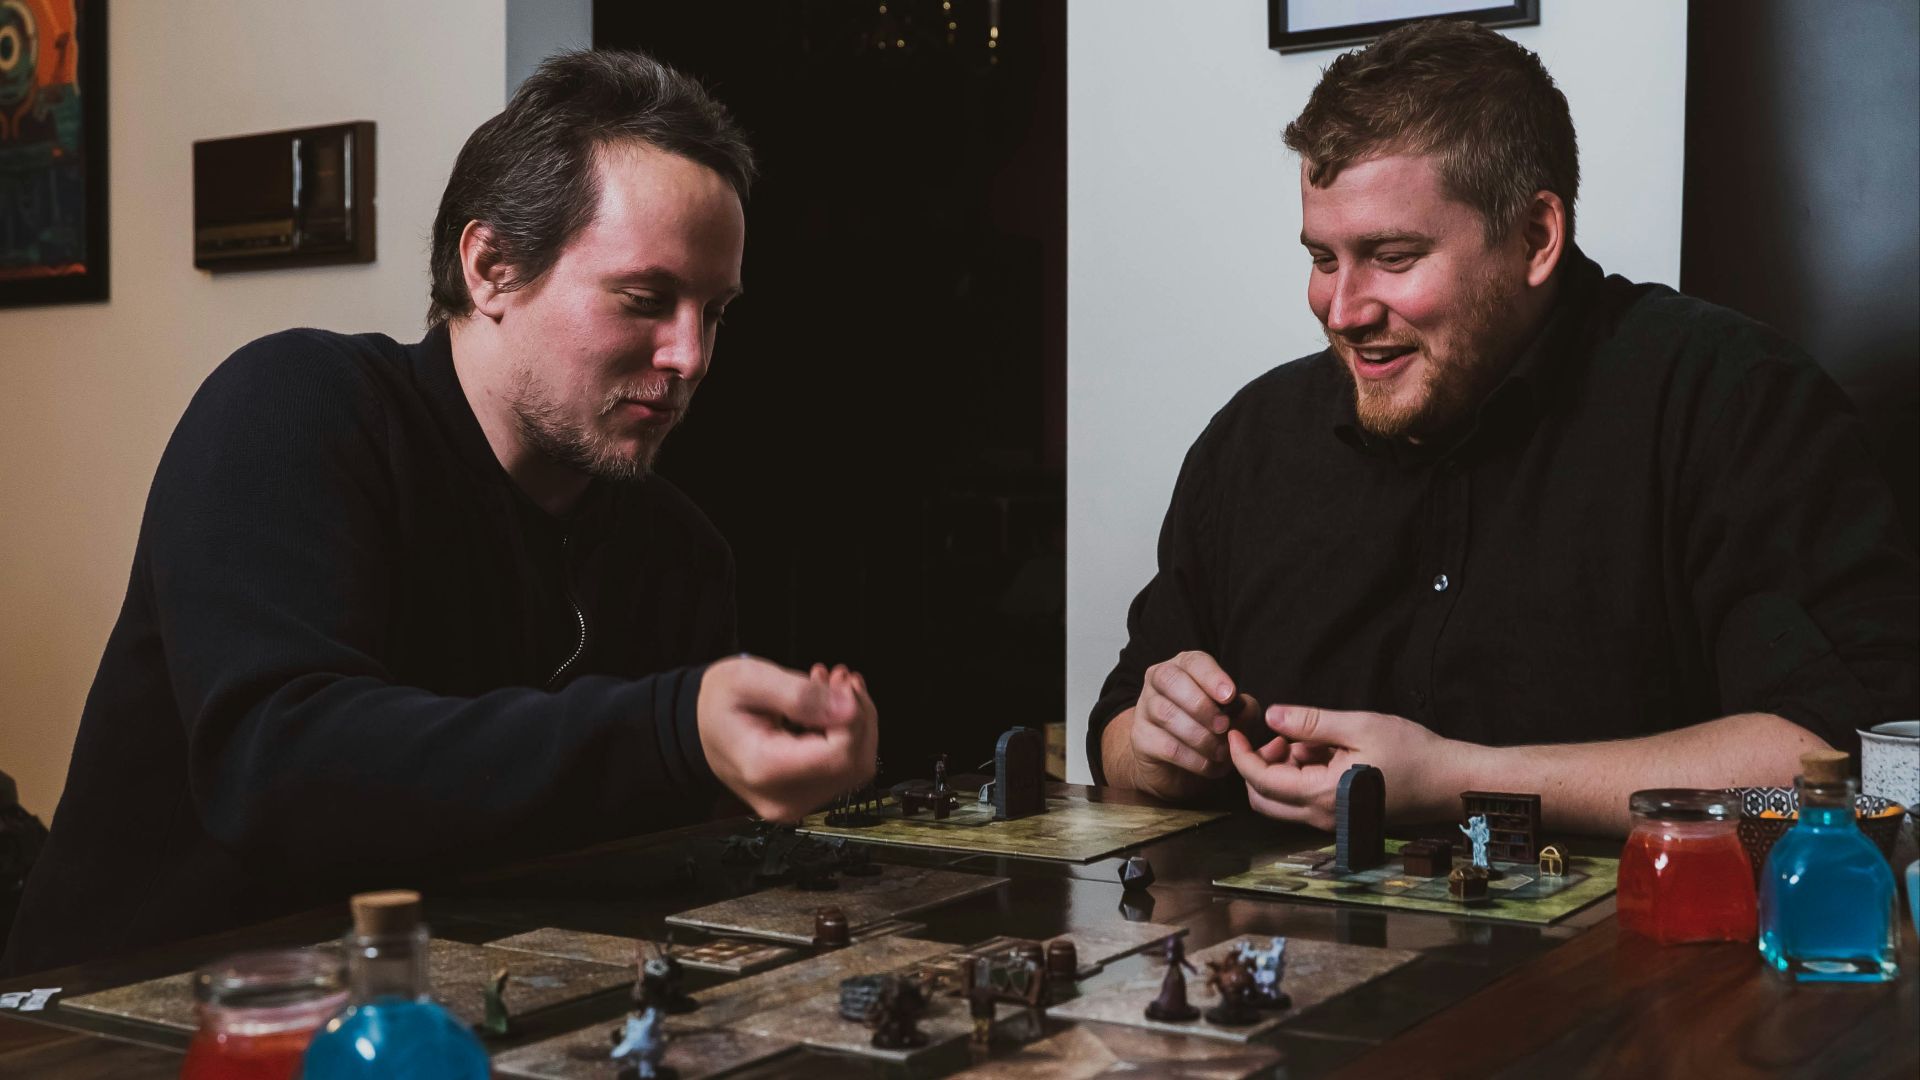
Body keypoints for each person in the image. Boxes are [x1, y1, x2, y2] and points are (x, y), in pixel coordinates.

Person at [3, 50, 878, 975]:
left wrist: (755, 784)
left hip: (448, 1013)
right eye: (646, 300)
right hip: (132, 1019)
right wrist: (671, 729)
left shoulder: (680, 551)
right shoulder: (294, 409)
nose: (690, 355)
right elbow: (282, 773)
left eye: (716, 311)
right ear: (492, 266)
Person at [1090, 20, 1918, 836]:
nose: (1342, 312)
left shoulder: (1733, 402)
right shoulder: (1252, 442)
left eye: (1394, 256)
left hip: (1631, 967)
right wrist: (1157, 747)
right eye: (1322, 258)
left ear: (1535, 237)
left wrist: (1460, 782)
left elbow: (1846, 759)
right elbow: (1117, 735)